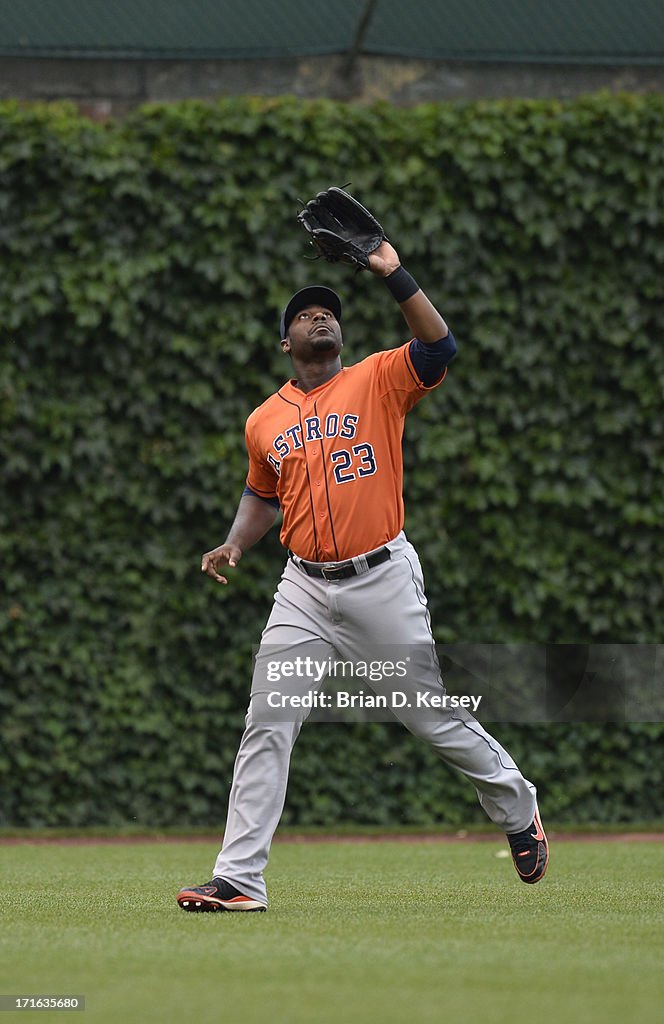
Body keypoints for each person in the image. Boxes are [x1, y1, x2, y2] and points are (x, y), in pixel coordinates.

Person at [177, 240, 548, 912]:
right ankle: (239, 880)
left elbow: (440, 349)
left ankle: (517, 804)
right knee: (268, 719)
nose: (318, 317)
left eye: (327, 311)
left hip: (381, 577)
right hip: (304, 589)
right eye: (304, 315)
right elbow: (263, 494)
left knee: (428, 717)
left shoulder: (379, 377)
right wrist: (235, 543)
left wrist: (393, 271)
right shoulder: (264, 420)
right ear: (285, 343)